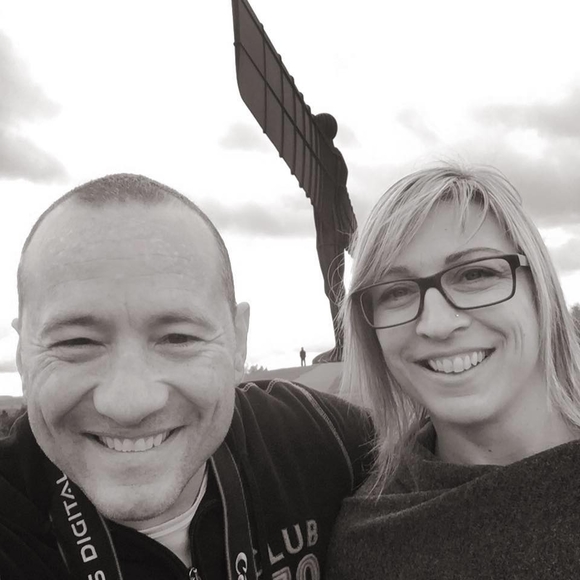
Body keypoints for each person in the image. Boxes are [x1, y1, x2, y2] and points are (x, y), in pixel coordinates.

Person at [0, 174, 372, 580]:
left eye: (178, 338)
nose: (130, 404)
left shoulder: (322, 438)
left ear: (238, 341)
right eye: (76, 342)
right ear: (22, 356)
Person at [327, 165, 580, 579]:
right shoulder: (369, 542)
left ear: (539, 290)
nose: (437, 324)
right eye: (397, 292)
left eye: (475, 274)